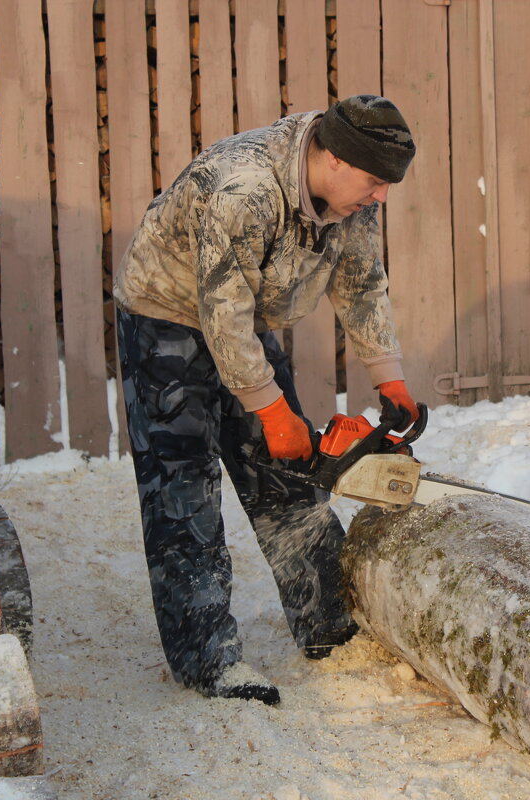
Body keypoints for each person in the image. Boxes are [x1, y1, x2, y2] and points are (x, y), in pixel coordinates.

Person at [113, 95, 420, 704]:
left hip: (241, 320)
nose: (381, 196)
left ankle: (329, 624)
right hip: (166, 317)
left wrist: (390, 380)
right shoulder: (244, 189)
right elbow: (220, 315)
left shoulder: (351, 196)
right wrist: (271, 409)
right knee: (184, 489)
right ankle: (207, 658)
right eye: (374, 182)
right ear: (332, 160)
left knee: (287, 473)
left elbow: (360, 282)